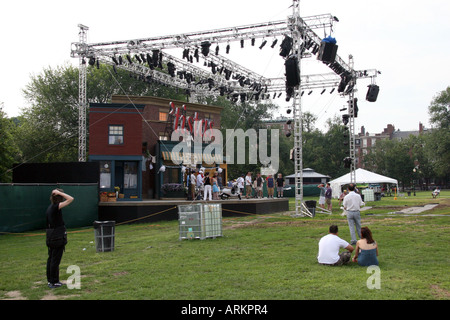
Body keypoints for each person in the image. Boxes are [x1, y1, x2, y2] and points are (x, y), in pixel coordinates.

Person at [46, 189, 74, 289]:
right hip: (56, 237)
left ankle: (50, 280)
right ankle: (54, 281)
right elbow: (71, 199)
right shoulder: (55, 207)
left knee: (51, 259)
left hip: (51, 237)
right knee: (55, 260)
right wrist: (60, 192)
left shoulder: (50, 207)